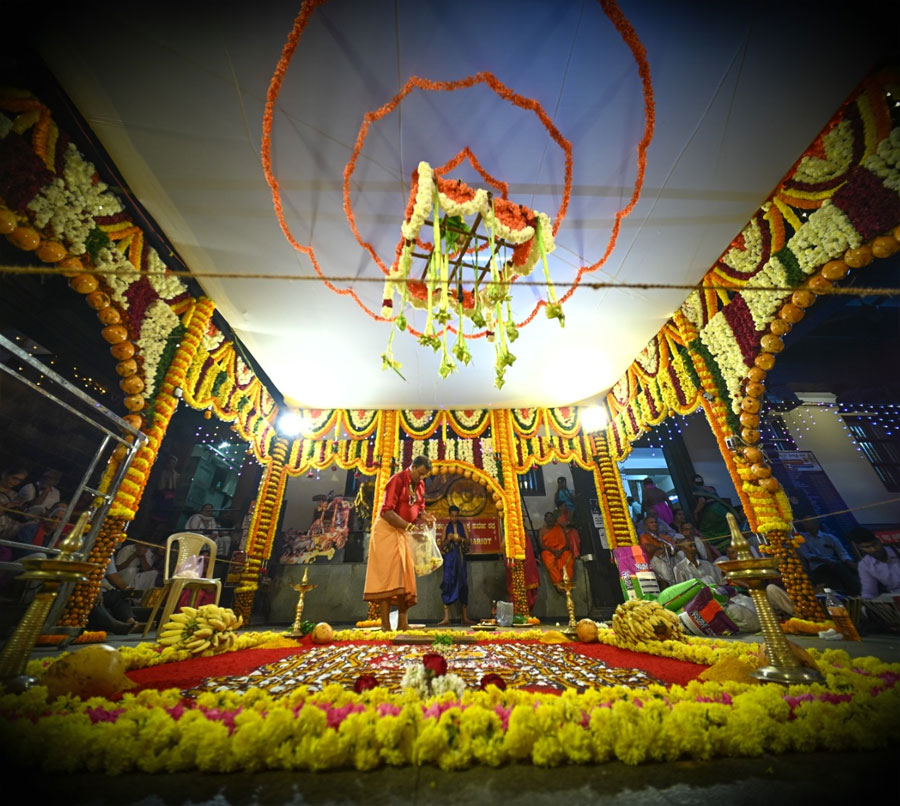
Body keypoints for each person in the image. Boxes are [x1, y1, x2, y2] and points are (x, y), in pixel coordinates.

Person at [363, 455, 433, 631]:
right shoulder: (397, 480)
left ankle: (403, 623)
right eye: (420, 473)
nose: (422, 477)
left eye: (424, 475)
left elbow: (419, 509)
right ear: (413, 466)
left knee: (406, 576)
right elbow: (386, 511)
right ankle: (385, 625)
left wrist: (425, 517)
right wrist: (409, 526)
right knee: (388, 576)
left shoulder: (420, 485)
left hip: (402, 531)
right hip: (386, 530)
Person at [796, 519, 859, 595]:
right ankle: (838, 594)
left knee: (845, 571)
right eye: (805, 522)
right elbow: (807, 555)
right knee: (828, 575)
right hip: (817, 568)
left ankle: (855, 592)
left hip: (835, 565)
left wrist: (849, 561)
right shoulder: (802, 539)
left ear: (816, 522)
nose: (808, 524)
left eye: (809, 521)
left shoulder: (829, 537)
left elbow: (842, 552)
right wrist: (826, 560)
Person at [437, 505, 475, 626]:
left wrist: (461, 539)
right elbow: (442, 545)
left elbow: (469, 542)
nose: (454, 518)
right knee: (447, 583)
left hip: (460, 558)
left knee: (463, 584)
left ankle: (465, 617)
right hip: (449, 559)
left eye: (456, 516)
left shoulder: (463, 526)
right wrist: (449, 539)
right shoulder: (446, 527)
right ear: (449, 516)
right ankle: (446, 618)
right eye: (452, 516)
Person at [539, 510, 579, 592]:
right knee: (546, 556)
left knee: (567, 555)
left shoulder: (559, 528)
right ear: (545, 520)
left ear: (554, 519)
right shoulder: (542, 531)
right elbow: (541, 545)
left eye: (551, 517)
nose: (549, 519)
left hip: (562, 550)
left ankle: (567, 581)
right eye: (547, 518)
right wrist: (553, 551)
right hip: (549, 551)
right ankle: (558, 582)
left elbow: (566, 543)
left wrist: (560, 551)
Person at [692, 481, 738, 551]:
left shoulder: (697, 489)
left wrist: (695, 512)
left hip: (711, 511)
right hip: (722, 509)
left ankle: (722, 550)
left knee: (707, 531)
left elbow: (702, 501)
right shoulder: (711, 488)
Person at [638, 513, 677, 587]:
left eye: (655, 522)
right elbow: (649, 549)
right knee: (659, 557)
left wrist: (665, 549)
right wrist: (662, 548)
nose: (654, 524)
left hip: (669, 558)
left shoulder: (663, 536)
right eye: (651, 522)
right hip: (654, 562)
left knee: (680, 554)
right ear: (646, 526)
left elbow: (674, 547)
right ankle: (671, 584)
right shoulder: (643, 537)